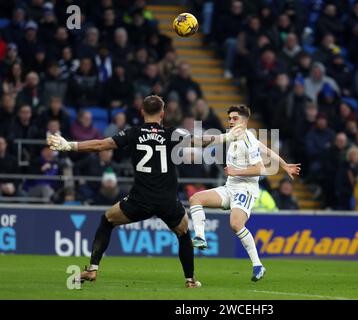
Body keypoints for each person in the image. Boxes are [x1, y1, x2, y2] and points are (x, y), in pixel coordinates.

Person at [47, 95, 243, 288]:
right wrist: (226, 136)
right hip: (167, 200)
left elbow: (101, 144)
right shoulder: (170, 134)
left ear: (142, 112)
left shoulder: (133, 132)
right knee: (183, 234)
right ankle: (190, 280)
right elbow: (198, 141)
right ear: (163, 113)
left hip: (139, 199)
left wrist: (69, 145)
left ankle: (92, 269)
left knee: (107, 220)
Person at [188, 105, 300, 282]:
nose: (231, 121)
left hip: (246, 189)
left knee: (235, 223)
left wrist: (235, 172)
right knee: (196, 198)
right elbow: (266, 150)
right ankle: (200, 237)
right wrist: (285, 165)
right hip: (230, 187)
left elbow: (260, 169)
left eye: (235, 118)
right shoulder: (235, 136)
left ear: (244, 121)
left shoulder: (247, 140)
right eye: (230, 118)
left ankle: (258, 265)